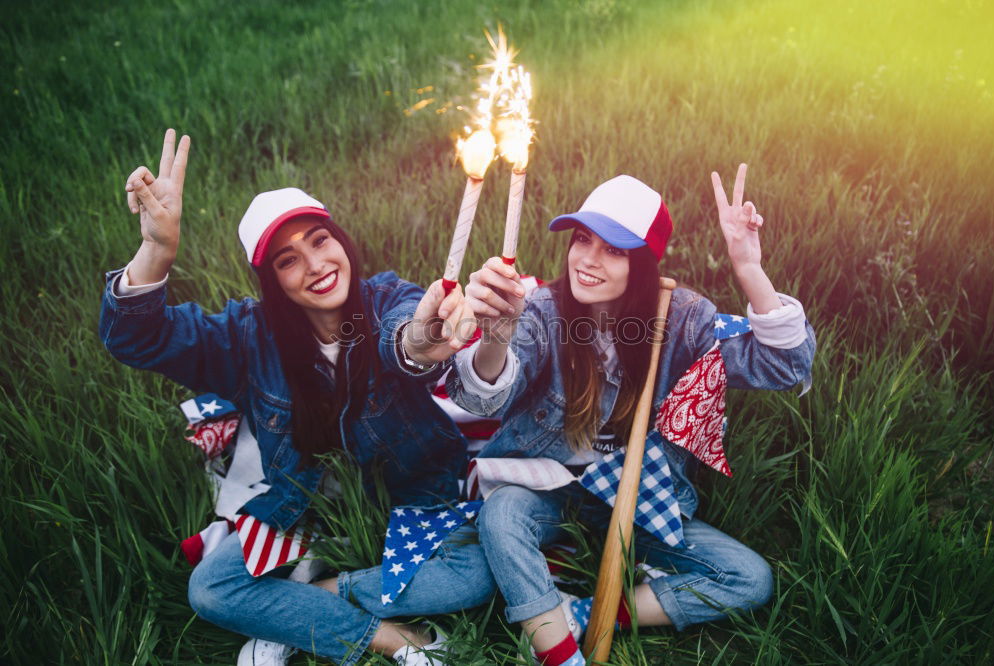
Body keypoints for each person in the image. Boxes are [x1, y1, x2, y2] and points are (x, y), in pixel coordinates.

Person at [100, 129, 493, 666]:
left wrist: (421, 342)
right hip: (302, 503)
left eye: (319, 240)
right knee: (211, 588)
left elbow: (407, 335)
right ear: (272, 281)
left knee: (470, 579)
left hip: (412, 493)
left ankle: (302, 606)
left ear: (340, 239)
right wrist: (156, 250)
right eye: (287, 260)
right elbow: (133, 338)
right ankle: (404, 641)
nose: (314, 265)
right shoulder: (247, 336)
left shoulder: (385, 301)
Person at [447, 167, 816, 665]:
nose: (588, 260)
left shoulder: (682, 320)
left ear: (643, 264)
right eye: (582, 240)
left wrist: (748, 267)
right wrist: (496, 336)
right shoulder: (542, 310)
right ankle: (559, 653)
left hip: (639, 502)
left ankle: (580, 614)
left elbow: (785, 365)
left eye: (614, 250)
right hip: (550, 491)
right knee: (502, 513)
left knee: (750, 578)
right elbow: (482, 400)